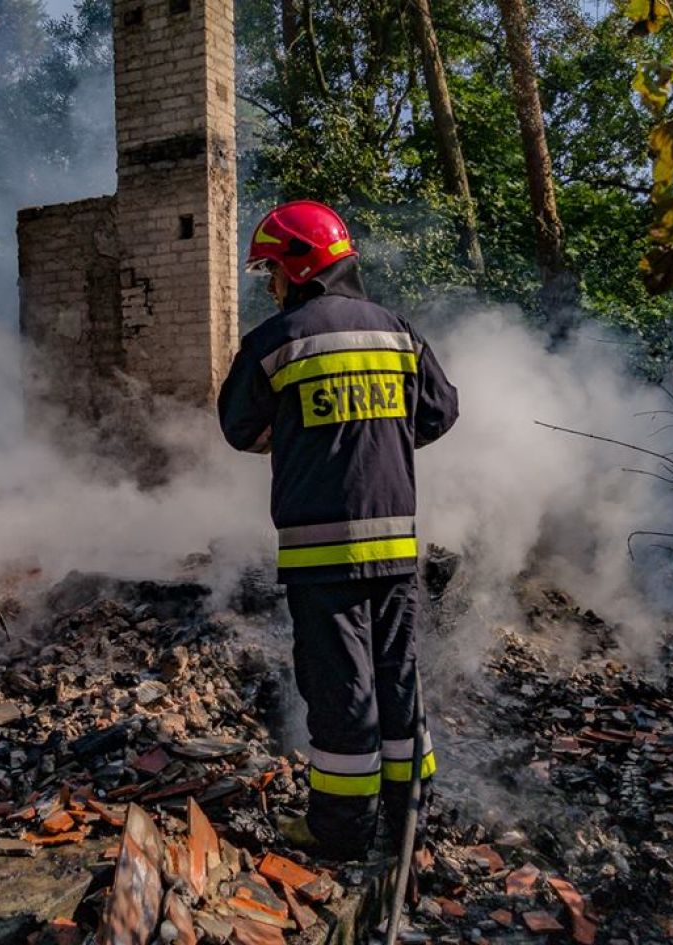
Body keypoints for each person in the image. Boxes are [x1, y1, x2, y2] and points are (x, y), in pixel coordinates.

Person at [217, 200, 459, 859]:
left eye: (271, 270)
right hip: (398, 553)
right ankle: (411, 820)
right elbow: (439, 413)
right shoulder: (398, 332)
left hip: (324, 558)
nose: (269, 284)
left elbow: (237, 427)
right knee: (398, 678)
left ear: (299, 268)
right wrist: (376, 436)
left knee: (343, 691)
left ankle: (343, 834)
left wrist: (301, 438)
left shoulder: (276, 342)